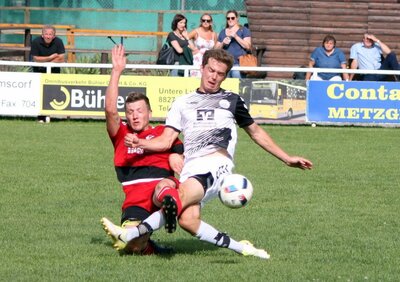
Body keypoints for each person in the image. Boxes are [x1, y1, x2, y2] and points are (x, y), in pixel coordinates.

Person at [102, 49, 313, 260]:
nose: (214, 76)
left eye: (220, 73)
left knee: (178, 199)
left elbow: (256, 132)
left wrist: (286, 158)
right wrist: (141, 143)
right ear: (202, 68)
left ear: (225, 76)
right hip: (190, 169)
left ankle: (128, 233)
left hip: (217, 164)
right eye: (211, 70)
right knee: (187, 221)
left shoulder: (232, 100)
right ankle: (244, 248)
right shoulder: (181, 103)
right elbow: (166, 140)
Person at [100, 44, 184, 255]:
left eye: (139, 111)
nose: (135, 115)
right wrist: (116, 71)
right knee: (133, 246)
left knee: (164, 186)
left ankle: (168, 205)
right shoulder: (122, 135)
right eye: (130, 112)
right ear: (126, 116)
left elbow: (179, 149)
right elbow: (110, 111)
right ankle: (149, 246)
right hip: (136, 199)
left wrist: (176, 154)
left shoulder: (163, 132)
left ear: (149, 112)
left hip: (162, 187)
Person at [215, 10, 252, 78]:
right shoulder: (223, 32)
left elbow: (248, 46)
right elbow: (215, 49)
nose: (230, 20)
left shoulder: (243, 30)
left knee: (237, 79)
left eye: (232, 18)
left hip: (238, 63)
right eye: (228, 18)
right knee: (225, 85)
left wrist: (236, 36)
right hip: (225, 63)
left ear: (237, 18)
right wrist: (222, 43)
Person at [188, 13, 217, 77]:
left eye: (208, 20)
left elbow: (215, 49)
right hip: (198, 60)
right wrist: (192, 48)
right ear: (201, 21)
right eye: (203, 20)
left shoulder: (214, 34)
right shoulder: (196, 31)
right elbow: (185, 40)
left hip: (209, 60)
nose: (205, 22)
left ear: (211, 22)